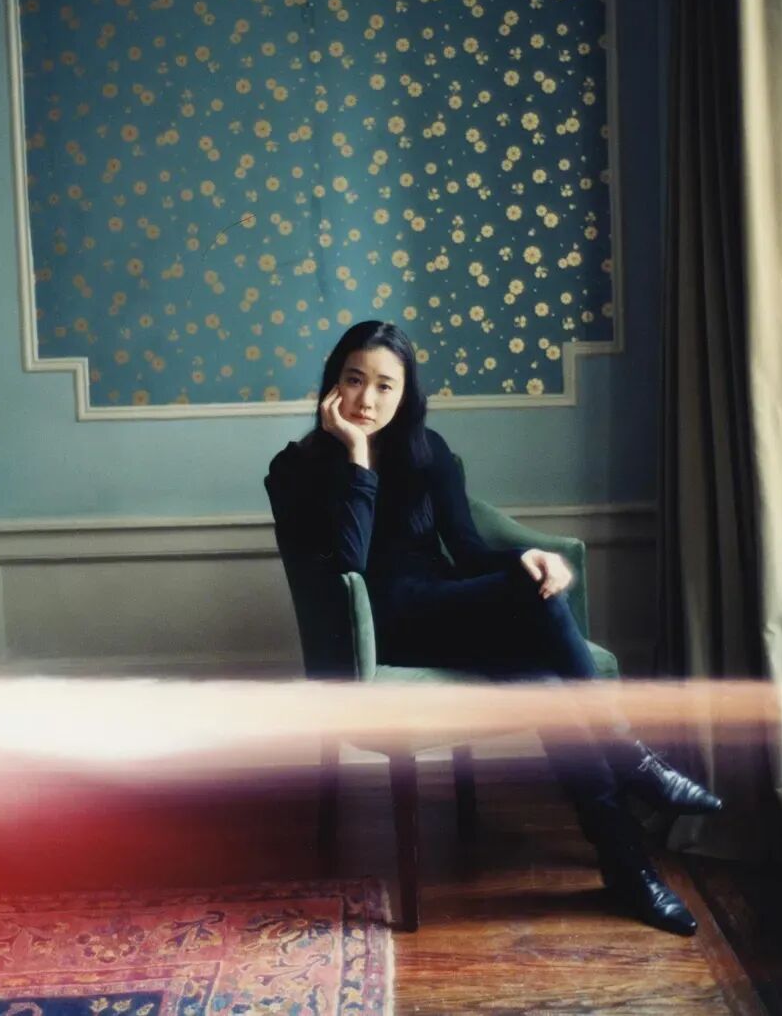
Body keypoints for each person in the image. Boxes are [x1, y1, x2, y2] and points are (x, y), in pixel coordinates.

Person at [267, 320, 721, 936]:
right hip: (380, 632)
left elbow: (469, 550)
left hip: (443, 606)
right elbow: (349, 564)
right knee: (535, 624)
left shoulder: (428, 453)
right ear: (332, 385)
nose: (367, 399)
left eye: (384, 385)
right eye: (354, 380)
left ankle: (627, 866)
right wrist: (356, 457)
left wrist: (526, 559)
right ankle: (630, 761)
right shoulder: (299, 469)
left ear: (405, 393)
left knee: (546, 675)